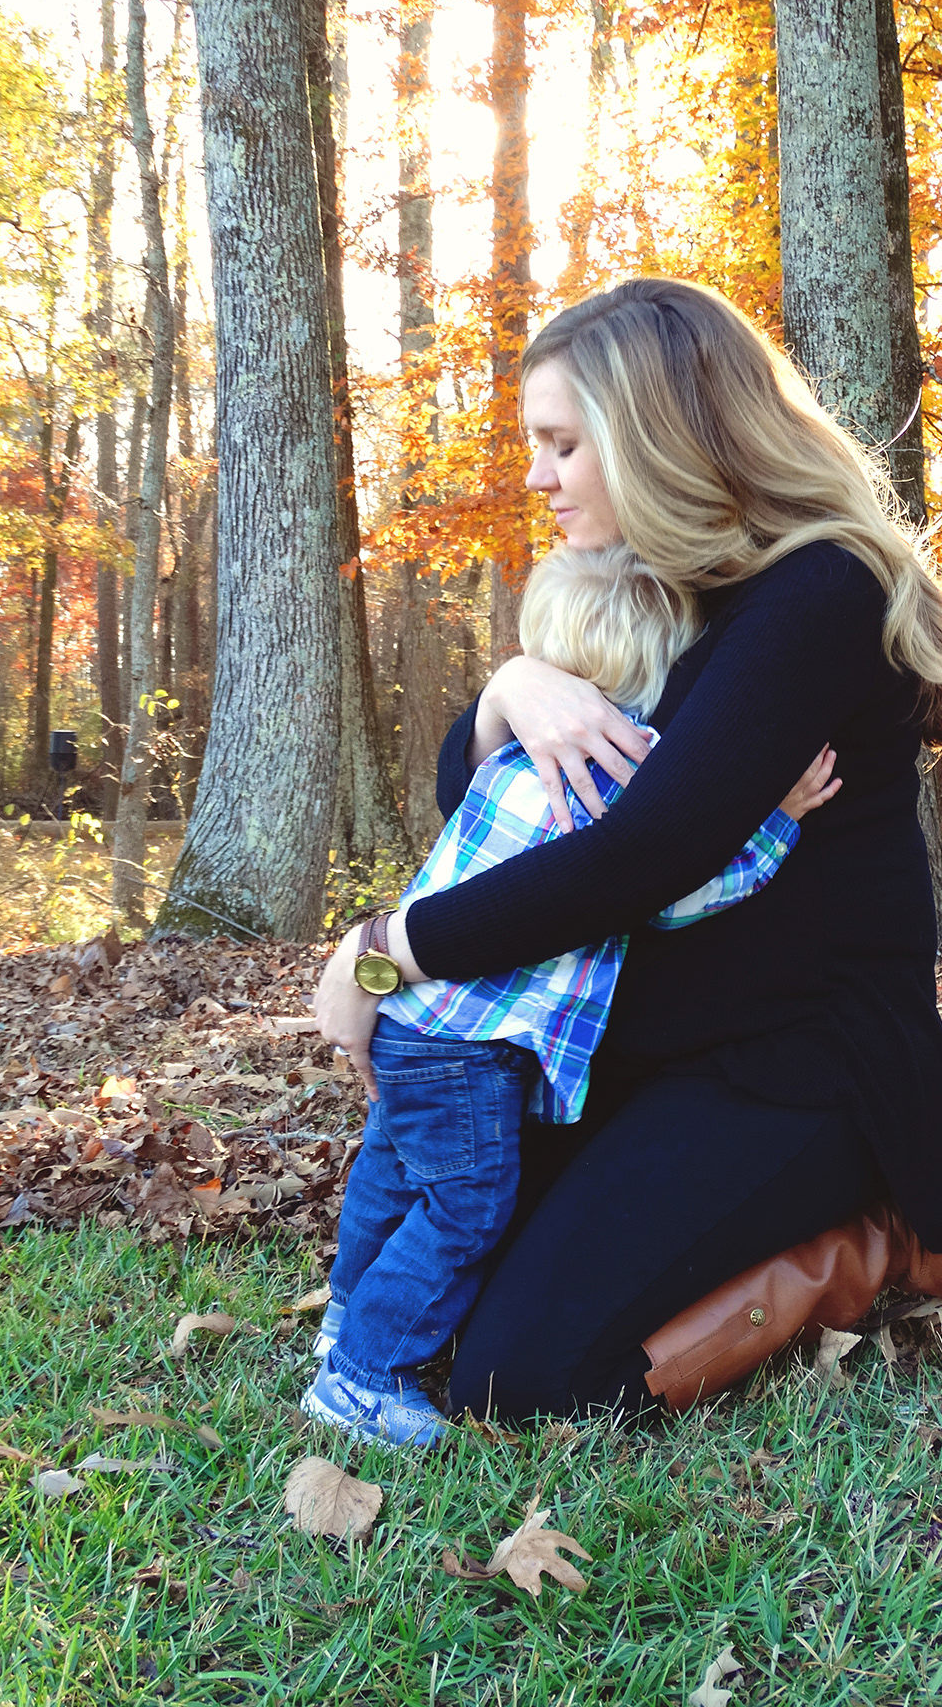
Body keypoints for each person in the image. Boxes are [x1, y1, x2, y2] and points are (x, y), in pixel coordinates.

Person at [313, 277, 942, 1427]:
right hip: (638, 1045)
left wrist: (385, 951)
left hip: (794, 1064)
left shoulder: (819, 592)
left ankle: (881, 1232)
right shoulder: (661, 580)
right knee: (447, 1292)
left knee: (527, 1376)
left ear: (657, 433)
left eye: (563, 444)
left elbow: (638, 855)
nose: (538, 476)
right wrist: (513, 691)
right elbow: (490, 805)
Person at [303, 541, 841, 1447]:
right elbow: (665, 894)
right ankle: (363, 1375)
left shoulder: (509, 760)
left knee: (389, 1174)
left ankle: (347, 1316)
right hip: (469, 1052)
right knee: (467, 1209)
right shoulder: (614, 770)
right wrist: (775, 825)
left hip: (414, 1024)